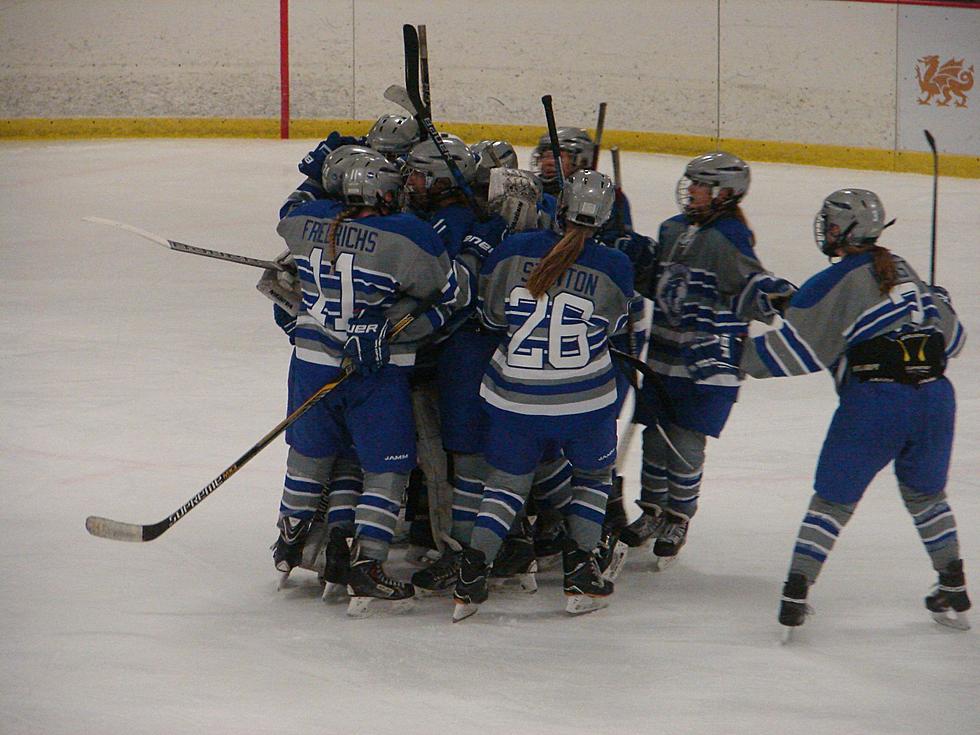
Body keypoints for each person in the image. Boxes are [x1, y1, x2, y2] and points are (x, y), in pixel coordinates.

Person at [689, 188, 969, 633]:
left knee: (832, 503)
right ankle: (953, 584)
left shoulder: (834, 280)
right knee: (926, 497)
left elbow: (796, 353)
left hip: (877, 404)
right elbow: (955, 341)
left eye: (831, 222)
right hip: (936, 400)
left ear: (844, 229)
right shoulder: (904, 269)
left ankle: (795, 594)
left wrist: (735, 352)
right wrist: (941, 300)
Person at [272, 153, 459, 617]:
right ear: (385, 193)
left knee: (310, 453)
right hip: (375, 371)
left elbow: (291, 214)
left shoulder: (304, 220)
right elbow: (445, 290)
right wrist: (399, 320)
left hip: (312, 362)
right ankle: (368, 564)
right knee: (387, 466)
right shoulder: (408, 235)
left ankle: (291, 537)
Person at [451, 169, 635, 621]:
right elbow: (614, 327)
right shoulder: (615, 265)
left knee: (507, 486)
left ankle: (470, 579)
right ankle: (580, 574)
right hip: (584, 403)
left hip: (514, 397)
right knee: (593, 480)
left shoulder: (514, 250)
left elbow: (492, 317)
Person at [621, 151, 796, 570]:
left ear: (724, 193)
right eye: (691, 182)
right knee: (655, 437)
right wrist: (630, 255)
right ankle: (652, 511)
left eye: (700, 184)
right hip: (663, 355)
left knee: (685, 442)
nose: (691, 190)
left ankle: (678, 517)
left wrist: (781, 297)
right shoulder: (672, 229)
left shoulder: (729, 238)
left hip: (703, 364)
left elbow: (750, 282)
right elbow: (657, 281)